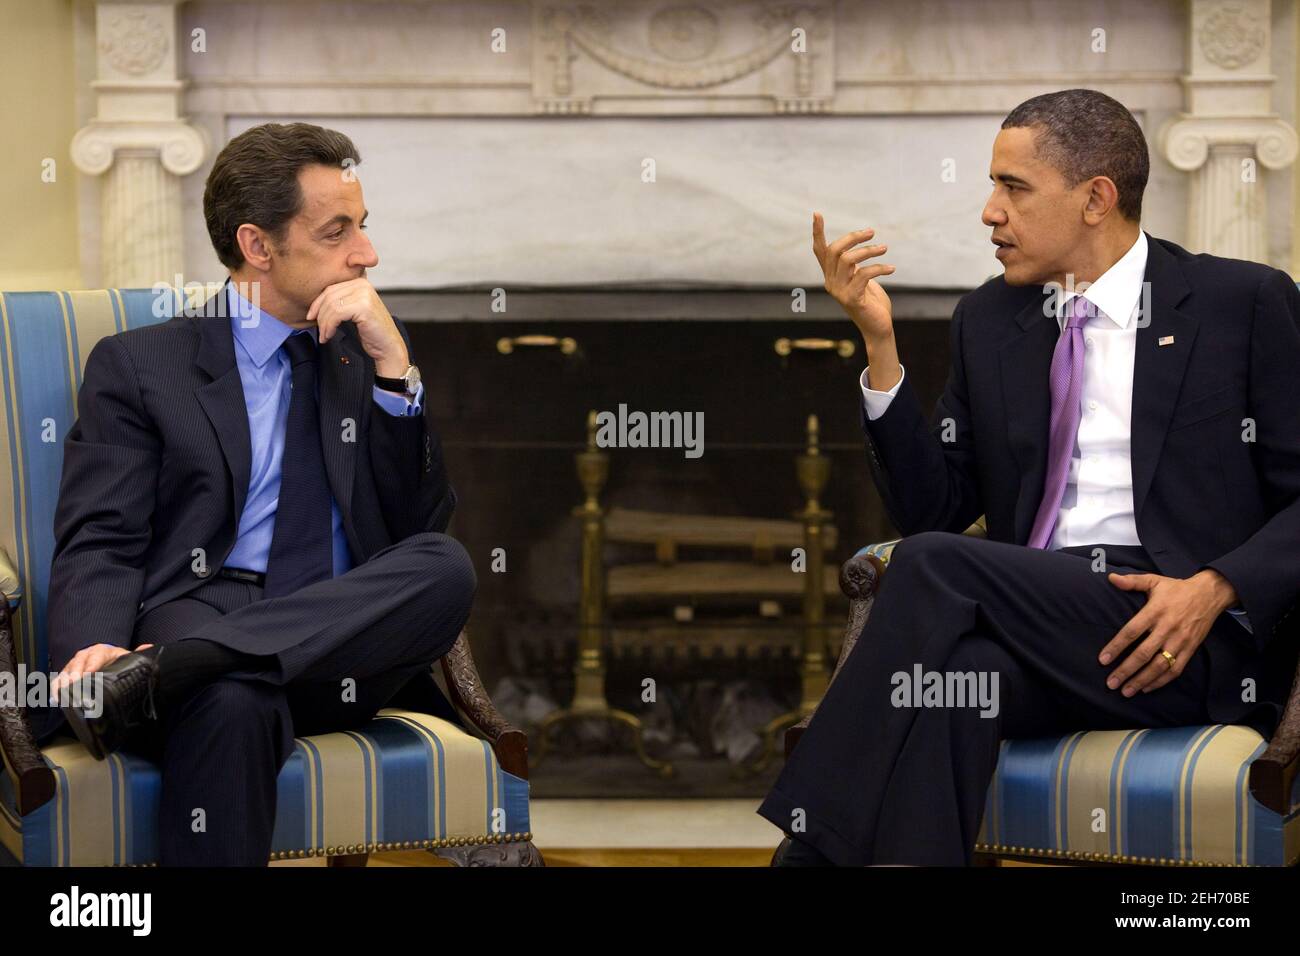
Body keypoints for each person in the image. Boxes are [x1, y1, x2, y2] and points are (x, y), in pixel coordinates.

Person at [760, 88, 1300, 866]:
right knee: (961, 684)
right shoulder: (991, 320)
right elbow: (934, 510)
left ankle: (803, 850)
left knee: (928, 567)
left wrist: (1216, 585)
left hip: (1176, 634)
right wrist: (880, 346)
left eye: (1012, 187)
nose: (989, 212)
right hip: (1033, 615)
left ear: (1095, 198)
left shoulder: (1239, 303)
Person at [48, 122, 476, 866]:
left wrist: (395, 374)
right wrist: (93, 650)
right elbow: (103, 537)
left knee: (445, 564)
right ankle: (184, 669)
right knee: (231, 704)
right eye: (337, 231)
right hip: (203, 600)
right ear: (257, 245)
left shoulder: (366, 348)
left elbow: (415, 528)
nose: (366, 254)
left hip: (339, 636)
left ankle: (172, 671)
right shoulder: (142, 365)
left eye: (363, 228)